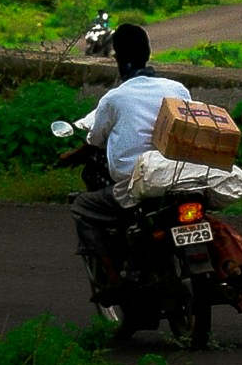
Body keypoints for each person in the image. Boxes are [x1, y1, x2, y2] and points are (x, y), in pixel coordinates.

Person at [65, 20, 173, 294]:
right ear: (148, 53)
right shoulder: (177, 89)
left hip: (138, 181)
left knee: (82, 207)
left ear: (118, 58)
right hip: (177, 176)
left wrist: (69, 157)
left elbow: (94, 141)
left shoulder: (115, 98)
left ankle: (113, 280)